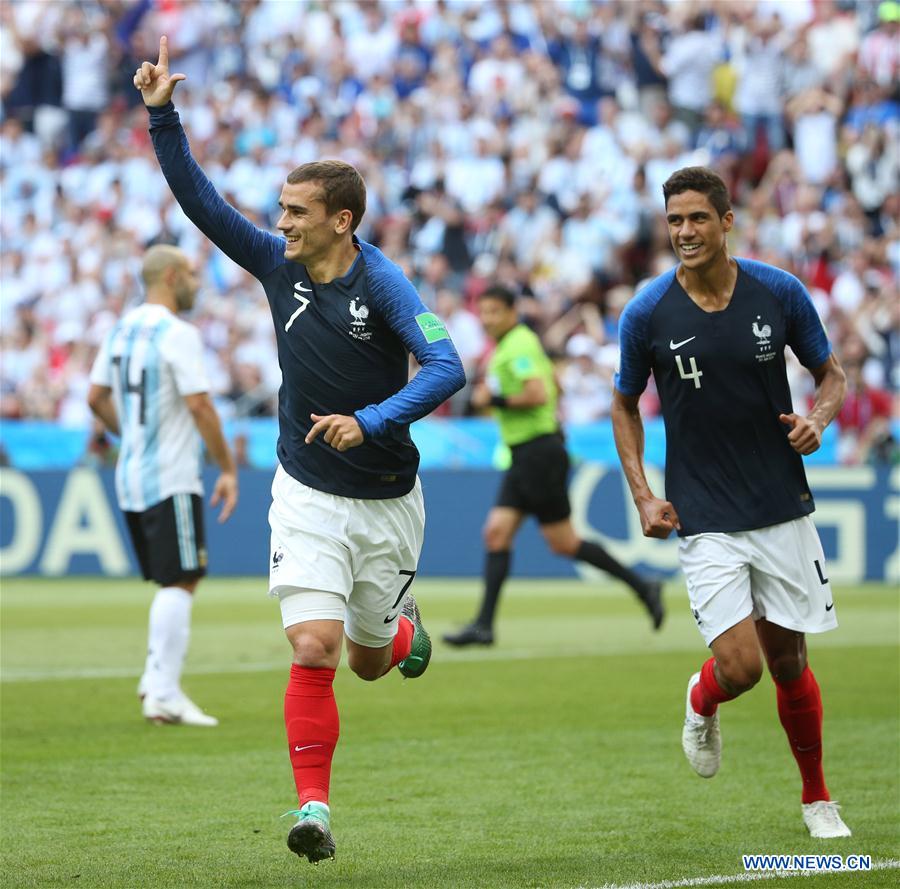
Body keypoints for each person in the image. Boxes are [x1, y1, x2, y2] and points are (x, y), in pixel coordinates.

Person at [133, 38, 465, 864]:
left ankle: (400, 634)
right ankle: (313, 806)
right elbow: (202, 205)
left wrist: (375, 417)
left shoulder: (383, 284)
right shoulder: (275, 265)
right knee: (312, 647)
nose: (279, 221)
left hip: (386, 498)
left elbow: (449, 365)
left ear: (340, 221)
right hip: (307, 491)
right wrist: (161, 115)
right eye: (280, 209)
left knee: (367, 661)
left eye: (295, 211)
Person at [610, 166, 851, 839]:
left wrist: (820, 418)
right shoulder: (648, 312)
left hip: (780, 501)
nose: (684, 231)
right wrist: (643, 494)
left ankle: (817, 798)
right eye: (674, 220)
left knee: (790, 663)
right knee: (741, 667)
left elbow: (831, 374)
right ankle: (703, 695)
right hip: (703, 510)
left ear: (726, 222)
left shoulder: (778, 292)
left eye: (696, 218)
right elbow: (624, 404)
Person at [443, 285, 663, 647]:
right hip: (527, 453)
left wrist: (493, 397)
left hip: (538, 453)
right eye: (483, 312)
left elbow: (538, 393)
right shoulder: (518, 345)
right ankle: (484, 626)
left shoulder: (518, 345)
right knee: (499, 533)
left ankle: (643, 587)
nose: (487, 319)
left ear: (513, 312)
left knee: (561, 542)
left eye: (495, 311)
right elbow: (555, 386)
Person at [87, 244, 239, 727]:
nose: (198, 282)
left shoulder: (119, 328)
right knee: (182, 578)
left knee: (172, 578)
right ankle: (164, 691)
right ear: (172, 276)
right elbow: (200, 406)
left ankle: (155, 679)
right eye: (192, 274)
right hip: (171, 475)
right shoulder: (178, 333)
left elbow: (95, 397)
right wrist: (228, 468)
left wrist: (131, 434)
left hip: (130, 475)